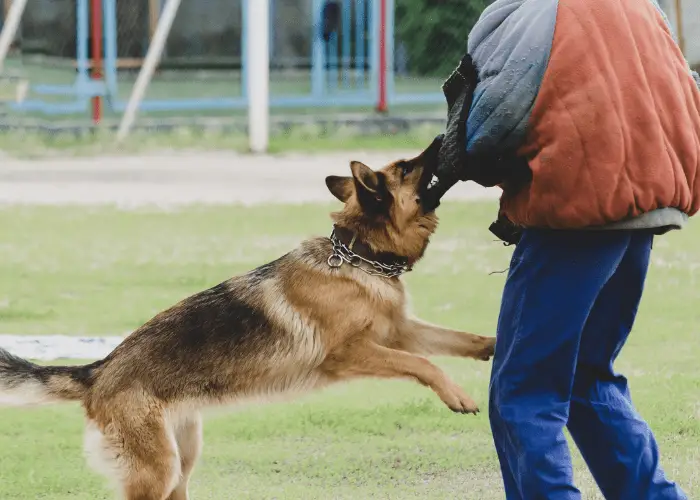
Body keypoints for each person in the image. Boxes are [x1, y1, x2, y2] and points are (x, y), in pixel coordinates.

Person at [429, 0, 700, 498]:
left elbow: (491, 121)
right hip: (644, 206)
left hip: (575, 212)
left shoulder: (531, 12)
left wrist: (456, 170)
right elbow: (687, 91)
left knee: (523, 389)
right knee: (588, 377)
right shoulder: (643, 7)